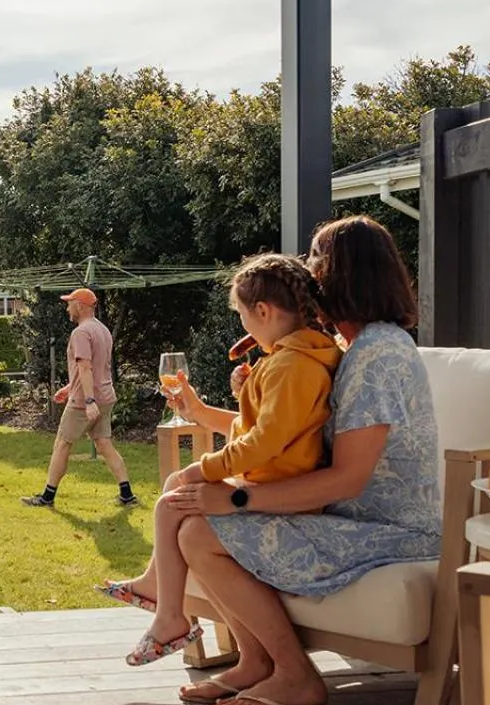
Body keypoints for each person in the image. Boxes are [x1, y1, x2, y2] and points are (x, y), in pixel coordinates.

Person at [101, 216, 439, 705]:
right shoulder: (349, 350)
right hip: (338, 515)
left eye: (316, 260)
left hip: (386, 532)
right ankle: (258, 660)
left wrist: (237, 498)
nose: (307, 273)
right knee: (192, 524)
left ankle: (295, 675)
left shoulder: (379, 356)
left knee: (197, 528)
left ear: (344, 273)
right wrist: (204, 414)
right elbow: (289, 435)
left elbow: (348, 479)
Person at [113, 253, 340, 667]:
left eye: (242, 315)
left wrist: (205, 467)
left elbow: (264, 444)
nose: (244, 326)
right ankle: (158, 592)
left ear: (264, 311)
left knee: (173, 497)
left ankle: (169, 614)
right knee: (172, 490)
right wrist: (211, 407)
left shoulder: (294, 366)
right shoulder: (290, 360)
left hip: (283, 496)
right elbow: (271, 431)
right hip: (271, 481)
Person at [21, 287, 138, 508]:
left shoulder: (81, 333)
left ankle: (47, 497)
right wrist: (69, 387)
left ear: (80, 306)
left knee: (62, 444)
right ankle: (127, 494)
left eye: (70, 303)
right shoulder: (102, 330)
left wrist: (88, 401)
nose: (67, 308)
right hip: (106, 396)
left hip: (85, 401)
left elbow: (85, 367)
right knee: (104, 443)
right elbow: (96, 368)